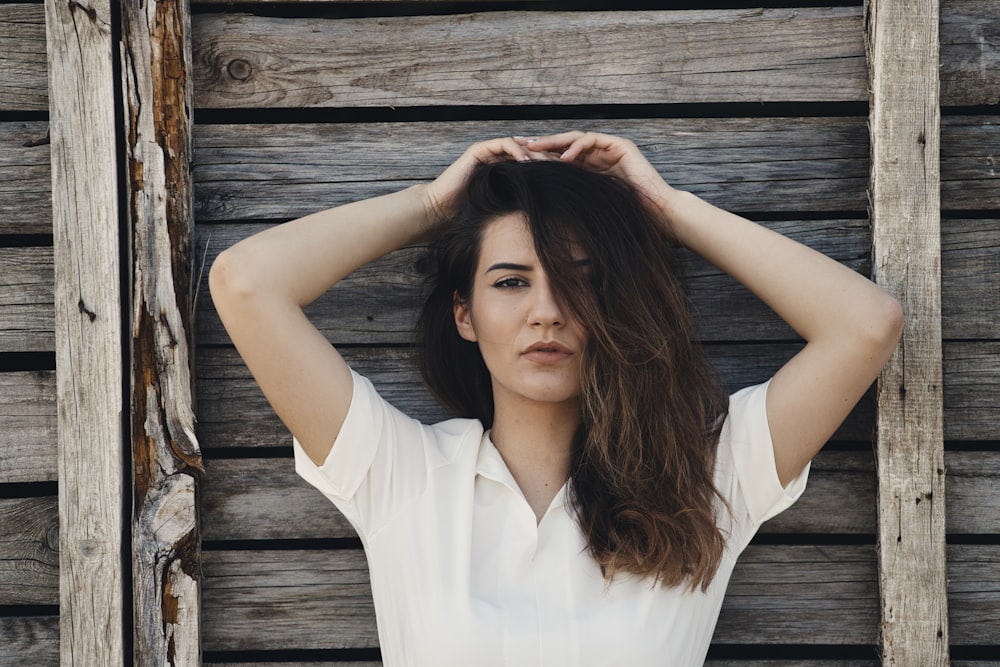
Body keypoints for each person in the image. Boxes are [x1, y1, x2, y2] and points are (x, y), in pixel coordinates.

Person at [209, 131, 902, 666]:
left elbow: (865, 324)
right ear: (465, 313)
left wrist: (667, 209)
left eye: (582, 280)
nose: (547, 311)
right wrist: (430, 206)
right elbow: (246, 283)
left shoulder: (705, 475)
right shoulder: (405, 478)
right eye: (511, 281)